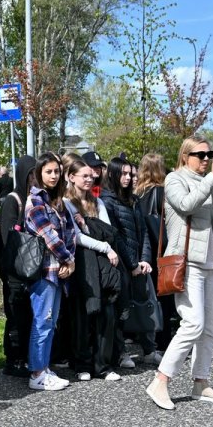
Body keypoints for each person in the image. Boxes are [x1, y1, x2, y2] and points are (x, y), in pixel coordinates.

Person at [145, 136, 213, 411]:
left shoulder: (210, 183)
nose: (206, 159)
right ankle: (160, 380)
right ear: (185, 156)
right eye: (200, 154)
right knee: (193, 323)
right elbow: (187, 205)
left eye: (209, 154)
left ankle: (200, 383)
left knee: (209, 327)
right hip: (188, 261)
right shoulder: (174, 179)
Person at [62, 158, 121, 381]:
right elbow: (76, 237)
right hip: (83, 262)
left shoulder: (99, 203)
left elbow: (109, 231)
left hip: (103, 263)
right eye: (84, 175)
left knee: (106, 313)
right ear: (71, 177)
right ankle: (82, 364)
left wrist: (87, 225)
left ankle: (103, 365)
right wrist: (104, 246)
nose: (89, 179)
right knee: (83, 313)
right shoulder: (67, 203)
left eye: (91, 175)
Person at [25, 152, 78, 391]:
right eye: (48, 171)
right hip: (45, 270)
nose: (54, 175)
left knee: (51, 321)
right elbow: (48, 235)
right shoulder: (35, 201)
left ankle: (44, 367)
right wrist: (68, 259)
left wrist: (70, 259)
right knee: (42, 321)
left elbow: (70, 234)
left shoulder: (58, 201)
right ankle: (36, 372)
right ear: (38, 173)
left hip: (59, 269)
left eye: (57, 171)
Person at [101, 156, 151, 369]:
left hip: (139, 261)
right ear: (112, 174)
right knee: (122, 309)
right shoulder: (107, 201)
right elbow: (115, 236)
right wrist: (131, 264)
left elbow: (145, 231)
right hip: (120, 263)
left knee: (144, 305)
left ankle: (149, 350)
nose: (128, 177)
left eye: (131, 173)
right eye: (123, 173)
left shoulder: (135, 200)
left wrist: (145, 259)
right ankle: (121, 353)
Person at [0, 155, 36, 378]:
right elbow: (8, 235)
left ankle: (26, 356)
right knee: (15, 315)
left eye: (35, 174)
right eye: (30, 174)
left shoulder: (37, 197)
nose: (33, 179)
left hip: (32, 267)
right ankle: (13, 359)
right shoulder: (14, 200)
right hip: (14, 267)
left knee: (29, 316)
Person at [134, 153, 173, 360]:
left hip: (143, 250)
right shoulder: (162, 192)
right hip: (161, 250)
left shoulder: (136, 193)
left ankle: (148, 338)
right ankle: (164, 339)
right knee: (164, 297)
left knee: (147, 297)